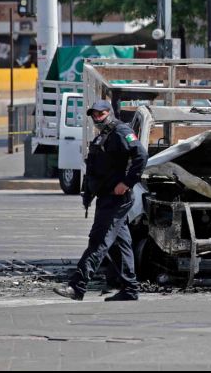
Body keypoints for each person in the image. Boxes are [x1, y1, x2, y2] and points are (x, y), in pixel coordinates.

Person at [54, 100, 148, 302]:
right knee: (120, 245)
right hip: (106, 197)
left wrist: (127, 182)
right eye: (94, 115)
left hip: (117, 199)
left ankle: (77, 286)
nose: (97, 118)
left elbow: (141, 155)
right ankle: (130, 290)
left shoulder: (121, 132)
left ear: (109, 113)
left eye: (100, 113)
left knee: (99, 241)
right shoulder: (104, 136)